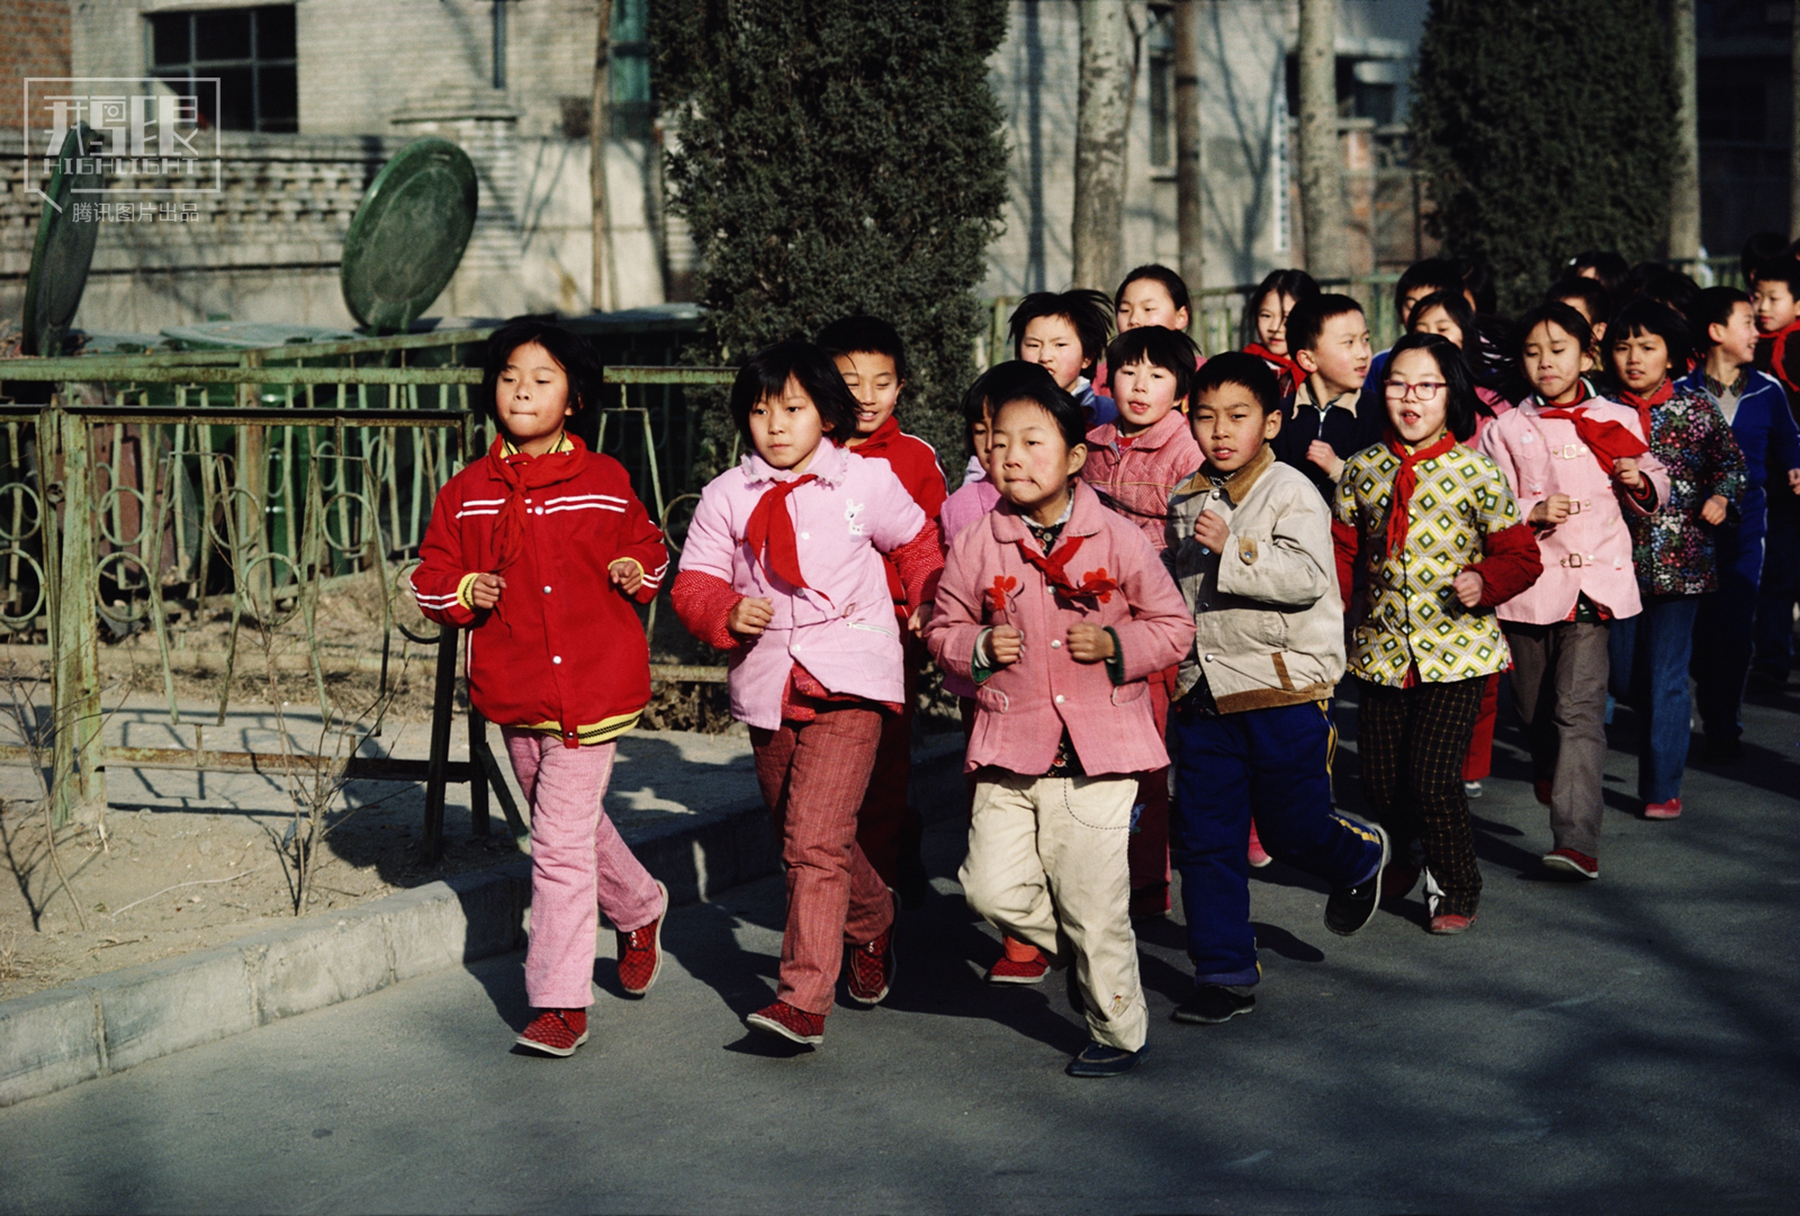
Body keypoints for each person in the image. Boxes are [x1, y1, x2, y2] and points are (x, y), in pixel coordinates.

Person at [670, 340, 944, 1048]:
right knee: (802, 829)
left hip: (852, 671)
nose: (778, 426)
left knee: (813, 843)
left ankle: (801, 1000)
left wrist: (926, 598)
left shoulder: (865, 481)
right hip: (769, 678)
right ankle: (873, 915)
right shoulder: (729, 495)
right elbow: (694, 581)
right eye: (760, 412)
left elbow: (918, 544)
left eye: (793, 409)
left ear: (826, 412)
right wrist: (725, 612)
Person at [411, 319, 672, 1058]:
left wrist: (635, 571)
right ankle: (641, 904)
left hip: (594, 688)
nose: (522, 388)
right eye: (509, 375)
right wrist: (465, 588)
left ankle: (559, 1001)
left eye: (543, 376)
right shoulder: (466, 493)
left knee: (554, 842)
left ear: (576, 397)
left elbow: (648, 547)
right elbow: (430, 579)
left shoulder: (604, 480)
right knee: (573, 825)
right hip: (517, 687)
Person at [925, 377, 1193, 1078]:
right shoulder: (983, 540)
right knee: (987, 887)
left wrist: (1117, 647)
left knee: (1096, 903)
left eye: (1032, 442)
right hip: (1012, 747)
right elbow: (943, 625)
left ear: (1076, 456)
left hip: (1101, 755)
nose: (1012, 456)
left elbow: (1174, 628)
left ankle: (1116, 1029)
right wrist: (977, 648)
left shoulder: (1120, 537)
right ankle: (1080, 948)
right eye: (1000, 442)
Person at [1162, 352, 1389, 1023]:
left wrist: (1236, 545)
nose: (1220, 432)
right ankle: (1223, 971)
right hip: (1204, 694)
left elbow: (1308, 580)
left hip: (1284, 691)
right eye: (1205, 418)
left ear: (1271, 420)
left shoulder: (1291, 489)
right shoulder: (1187, 494)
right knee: (1206, 837)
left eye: (1238, 416)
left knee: (1292, 829)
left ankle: (1357, 854)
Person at [1335, 334, 1542, 933]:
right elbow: (1342, 556)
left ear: (1450, 394)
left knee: (1431, 778)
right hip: (1379, 652)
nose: (1410, 397)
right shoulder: (1361, 471)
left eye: (1426, 385)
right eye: (1398, 382)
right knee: (1377, 778)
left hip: (1458, 651)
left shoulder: (1478, 472)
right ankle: (1406, 851)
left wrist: (1485, 579)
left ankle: (1456, 881)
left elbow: (1522, 557)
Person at [1479, 304, 1668, 881]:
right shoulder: (1504, 428)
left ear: (1587, 354)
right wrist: (1527, 512)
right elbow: (1483, 505)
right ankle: (1549, 769)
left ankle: (1576, 839)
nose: (1545, 363)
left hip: (1594, 587)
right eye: (1533, 353)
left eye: (1558, 350)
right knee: (1535, 709)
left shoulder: (1618, 419)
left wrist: (1641, 483)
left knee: (1579, 712)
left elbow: (1655, 481)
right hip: (1530, 589)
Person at [818, 315, 948, 909]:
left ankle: (880, 887)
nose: (866, 397)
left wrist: (924, 606)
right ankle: (838, 885)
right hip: (815, 637)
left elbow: (931, 544)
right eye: (850, 381)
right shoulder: (802, 449)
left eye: (881, 381)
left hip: (892, 635)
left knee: (884, 762)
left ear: (901, 386)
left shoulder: (915, 458)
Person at [938, 360, 1062, 983]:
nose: (997, 448)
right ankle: (1022, 939)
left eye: (1014, 432)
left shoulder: (1069, 503)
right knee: (996, 805)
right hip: (988, 687)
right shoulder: (961, 509)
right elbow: (951, 598)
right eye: (983, 432)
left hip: (1061, 686)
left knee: (1058, 810)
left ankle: (1072, 914)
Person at [1603, 300, 1745, 820]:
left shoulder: (1697, 409)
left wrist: (1722, 497)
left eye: (1647, 347)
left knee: (1666, 674)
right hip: (1612, 565)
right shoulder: (1598, 414)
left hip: (1682, 564)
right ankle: (1654, 722)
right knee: (1620, 677)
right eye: (1622, 347)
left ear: (1671, 356)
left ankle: (1661, 787)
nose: (1634, 359)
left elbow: (1731, 464)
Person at [1081, 325, 1205, 917]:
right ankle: (1101, 878)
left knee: (1153, 755)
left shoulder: (1187, 450)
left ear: (1181, 389)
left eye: (1157, 375)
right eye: (1129, 371)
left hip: (1161, 624)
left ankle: (1150, 880)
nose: (1140, 385)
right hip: (1097, 620)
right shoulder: (1092, 444)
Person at [1678, 287, 1800, 761]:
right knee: (1697, 630)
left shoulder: (1768, 391)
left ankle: (1722, 721)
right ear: (1716, 332)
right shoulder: (1681, 393)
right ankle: (1686, 700)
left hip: (1746, 531)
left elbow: (1790, 442)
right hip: (1688, 532)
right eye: (1747, 323)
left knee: (1733, 627)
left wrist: (1794, 466)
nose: (1756, 331)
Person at [1404, 290, 1516, 799]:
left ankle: (1469, 762)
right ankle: (1429, 763)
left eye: (1446, 326)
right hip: (1410, 564)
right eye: (1423, 324)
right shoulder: (1398, 404)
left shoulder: (1489, 410)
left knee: (1479, 672)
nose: (1435, 335)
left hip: (1472, 554)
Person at [1272, 292, 1378, 504]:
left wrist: (1338, 469)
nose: (1363, 353)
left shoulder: (1377, 412)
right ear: (1308, 359)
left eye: (1365, 340)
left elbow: (1384, 486)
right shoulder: (1280, 417)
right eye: (1348, 342)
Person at [1751, 256, 1800, 687]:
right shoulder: (1749, 344)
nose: (1762, 306)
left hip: (1792, 474)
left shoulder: (1795, 345)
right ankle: (1771, 657)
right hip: (1773, 484)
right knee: (1778, 572)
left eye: (1774, 297)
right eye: (1757, 296)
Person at [1008, 289, 1118, 427]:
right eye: (1033, 345)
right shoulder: (1005, 411)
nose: (1045, 356)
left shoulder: (1111, 416)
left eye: (1060, 345)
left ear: (1087, 357)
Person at [1242, 268, 1319, 396]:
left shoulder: (1323, 366)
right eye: (1266, 316)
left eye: (1287, 318)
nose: (1274, 327)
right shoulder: (1246, 366)